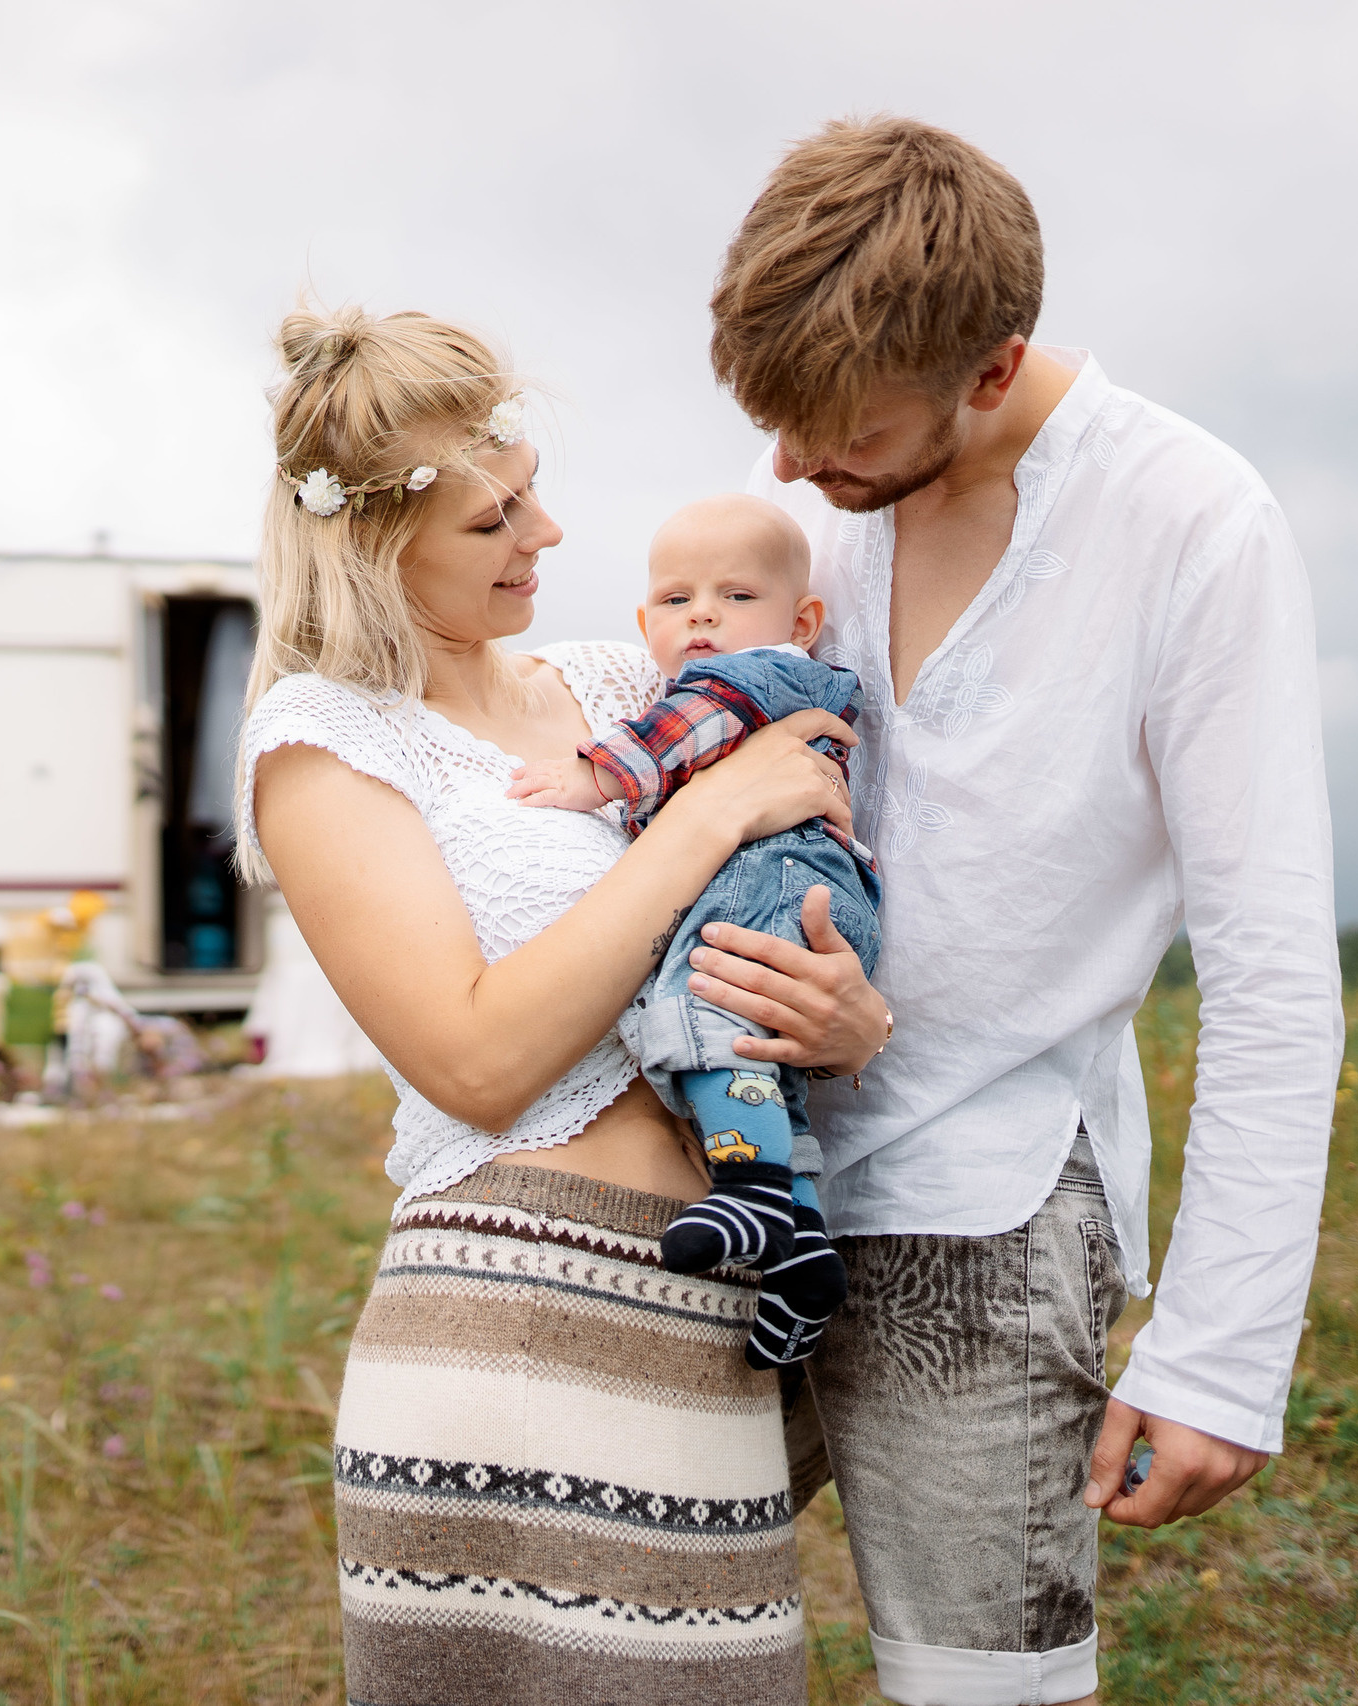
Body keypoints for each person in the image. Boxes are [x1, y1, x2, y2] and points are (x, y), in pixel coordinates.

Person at [708, 116, 1344, 1704]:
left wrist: (1221, 1350)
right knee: (617, 1647)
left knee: (978, 1689)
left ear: (992, 369)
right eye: (772, 420)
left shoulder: (1194, 522)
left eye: (834, 430)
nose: (789, 466)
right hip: (741, 1171)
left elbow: (1271, 966)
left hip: (988, 1208)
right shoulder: (811, 499)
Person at [241, 305, 891, 1705]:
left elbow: (799, 843)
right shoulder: (321, 744)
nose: (544, 534)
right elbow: (475, 1055)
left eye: (530, 492)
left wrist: (849, 1020)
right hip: (503, 1320)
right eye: (493, 523)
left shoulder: (611, 681)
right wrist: (703, 817)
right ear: (369, 544)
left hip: (706, 1312)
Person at [506, 495, 879, 1367]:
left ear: (802, 619)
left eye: (736, 594)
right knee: (763, 1067)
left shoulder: (764, 675)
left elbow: (686, 730)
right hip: (796, 886)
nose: (704, 613)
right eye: (677, 600)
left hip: (774, 880)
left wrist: (596, 776)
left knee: (705, 1008)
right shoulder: (709, 675)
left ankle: (748, 1188)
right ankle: (802, 1247)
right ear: (645, 622)